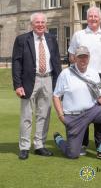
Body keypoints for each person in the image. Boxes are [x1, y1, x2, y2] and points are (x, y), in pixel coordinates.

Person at [53, 46, 101, 161]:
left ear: (89, 58)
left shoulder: (93, 73)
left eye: (85, 57)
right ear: (75, 58)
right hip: (74, 116)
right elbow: (56, 96)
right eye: (80, 57)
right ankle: (59, 140)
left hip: (92, 111)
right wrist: (61, 116)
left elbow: (100, 97)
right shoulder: (65, 74)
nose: (83, 60)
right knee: (72, 154)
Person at [12, 12, 62, 160]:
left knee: (44, 115)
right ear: (32, 24)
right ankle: (24, 147)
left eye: (42, 22)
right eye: (37, 22)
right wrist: (17, 84)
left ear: (45, 24)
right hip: (29, 81)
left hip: (48, 79)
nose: (40, 25)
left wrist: (59, 84)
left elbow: (56, 62)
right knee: (27, 115)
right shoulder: (22, 40)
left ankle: (39, 145)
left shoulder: (52, 39)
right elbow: (16, 62)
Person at [68, 6, 101, 152]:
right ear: (87, 18)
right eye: (90, 16)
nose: (93, 19)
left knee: (100, 109)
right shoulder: (78, 35)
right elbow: (72, 57)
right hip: (82, 76)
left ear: (100, 18)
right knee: (83, 109)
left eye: (96, 16)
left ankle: (99, 143)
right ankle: (82, 143)